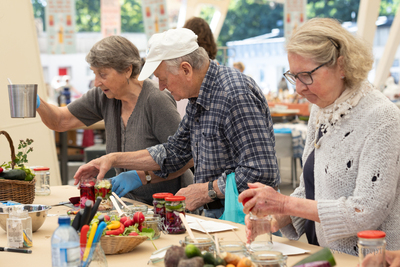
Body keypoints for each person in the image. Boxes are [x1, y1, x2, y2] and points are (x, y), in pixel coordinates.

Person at [74, 28, 280, 219]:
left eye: (163, 79)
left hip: (247, 217)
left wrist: (207, 190)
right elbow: (175, 151)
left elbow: (261, 172)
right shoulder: (197, 99)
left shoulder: (234, 95)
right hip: (217, 214)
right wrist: (114, 159)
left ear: (186, 69)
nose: (161, 87)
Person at [239, 18, 400, 255]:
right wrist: (277, 217)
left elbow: (367, 211)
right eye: (294, 76)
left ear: (342, 66)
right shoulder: (321, 109)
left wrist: (284, 202)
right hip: (324, 254)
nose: (298, 88)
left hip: (366, 259)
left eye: (306, 75)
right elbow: (310, 189)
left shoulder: (382, 118)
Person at [36, 35, 193, 205]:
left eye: (103, 74)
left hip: (170, 207)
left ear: (127, 69)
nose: (96, 82)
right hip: (131, 204)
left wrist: (141, 177)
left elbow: (186, 157)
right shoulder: (104, 95)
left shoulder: (156, 99)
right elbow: (60, 121)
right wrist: (36, 101)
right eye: (94, 73)